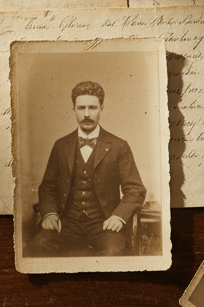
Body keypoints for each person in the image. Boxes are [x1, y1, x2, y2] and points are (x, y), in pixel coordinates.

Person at [32, 81, 147, 257]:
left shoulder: (119, 146)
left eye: (92, 108)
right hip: (67, 223)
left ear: (101, 108)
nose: (86, 114)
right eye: (81, 108)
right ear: (74, 109)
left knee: (114, 253)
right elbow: (47, 187)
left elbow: (135, 189)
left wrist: (118, 217)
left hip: (104, 223)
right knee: (38, 246)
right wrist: (49, 214)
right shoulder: (61, 145)